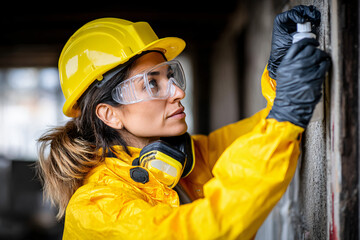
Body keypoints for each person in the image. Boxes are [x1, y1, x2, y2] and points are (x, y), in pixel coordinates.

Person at [37, 5, 330, 240]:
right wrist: (285, 115)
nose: (178, 92)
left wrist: (280, 82)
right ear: (109, 114)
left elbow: (264, 133)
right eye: (152, 83)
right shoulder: (95, 209)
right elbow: (198, 231)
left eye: (169, 76)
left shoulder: (186, 160)